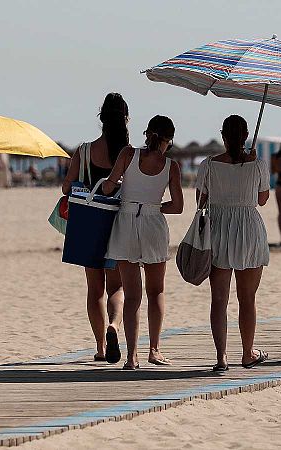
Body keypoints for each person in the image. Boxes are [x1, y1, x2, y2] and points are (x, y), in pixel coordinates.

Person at [102, 115, 184, 370]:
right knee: (156, 290)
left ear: (148, 133)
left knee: (132, 294)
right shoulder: (171, 166)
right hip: (152, 221)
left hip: (125, 220)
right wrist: (157, 206)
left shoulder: (128, 154)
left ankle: (131, 357)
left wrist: (115, 187)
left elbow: (107, 188)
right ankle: (154, 350)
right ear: (169, 141)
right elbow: (178, 206)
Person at [196, 115, 271, 372]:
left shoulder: (208, 165)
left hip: (218, 227)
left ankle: (221, 357)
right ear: (247, 135)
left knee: (219, 299)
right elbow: (262, 200)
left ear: (223, 135)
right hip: (249, 228)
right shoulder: (258, 165)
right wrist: (249, 167)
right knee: (247, 298)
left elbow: (200, 201)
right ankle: (248, 352)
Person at [61, 93, 128, 363]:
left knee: (94, 289)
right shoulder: (128, 152)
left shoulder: (85, 151)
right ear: (125, 119)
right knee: (117, 287)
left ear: (101, 118)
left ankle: (101, 347)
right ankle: (114, 325)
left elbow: (67, 187)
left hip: (89, 222)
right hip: (118, 223)